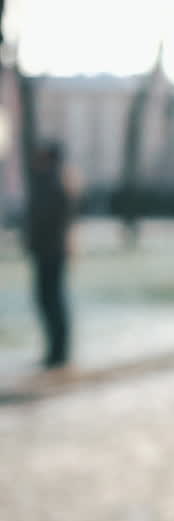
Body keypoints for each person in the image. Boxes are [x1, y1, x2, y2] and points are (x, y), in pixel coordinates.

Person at [24, 140, 75, 370]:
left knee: (51, 300)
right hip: (48, 251)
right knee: (49, 300)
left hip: (50, 252)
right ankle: (56, 351)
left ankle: (59, 352)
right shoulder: (53, 182)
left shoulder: (53, 184)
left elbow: (47, 219)